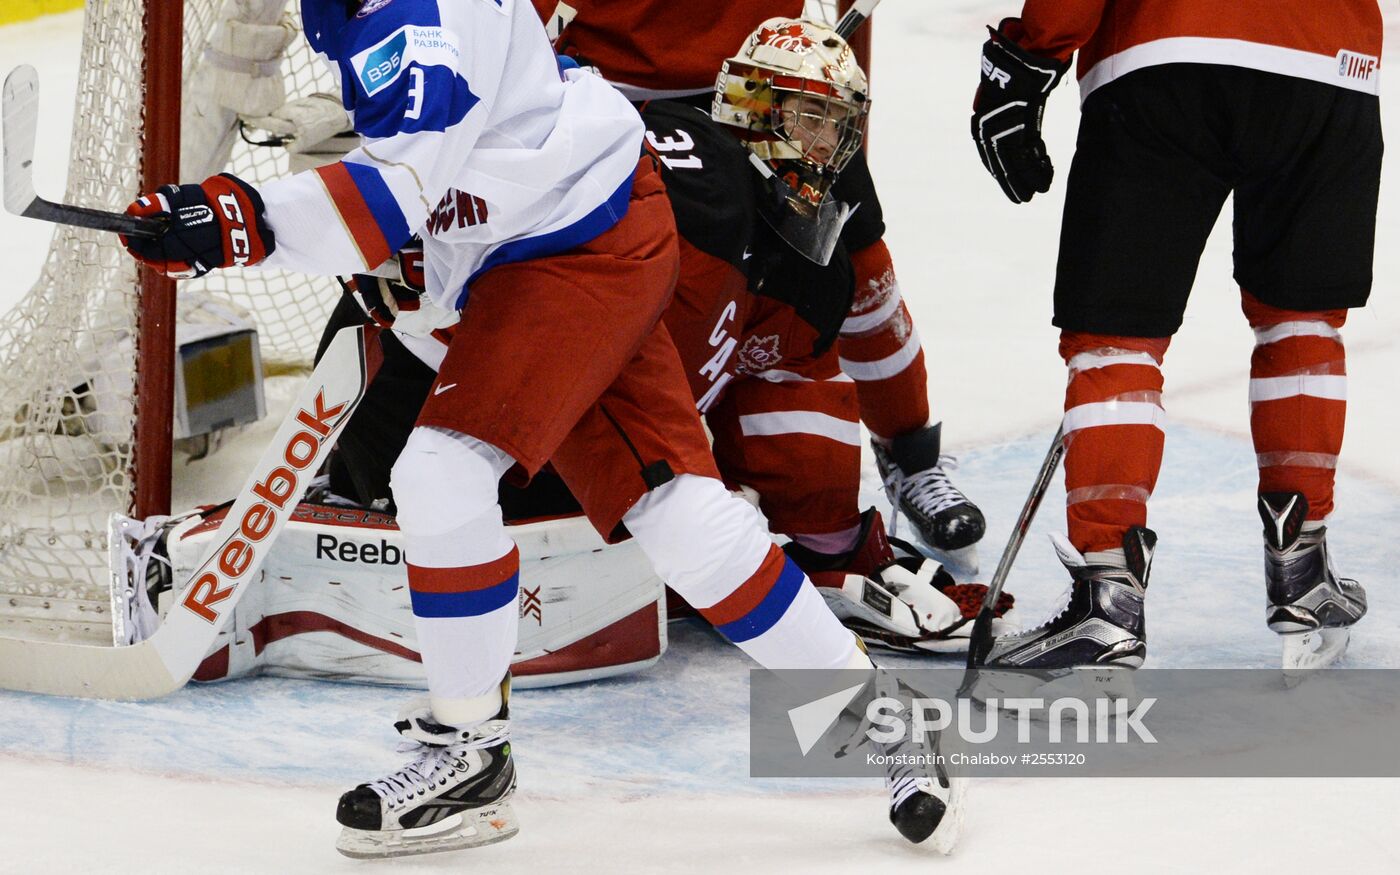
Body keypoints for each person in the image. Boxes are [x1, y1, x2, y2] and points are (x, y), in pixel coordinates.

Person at [119, 0, 955, 857]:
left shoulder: (412, 13)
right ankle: (886, 717)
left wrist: (232, 218)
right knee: (678, 514)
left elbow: (388, 194)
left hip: (560, 250)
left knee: (441, 470)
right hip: (575, 226)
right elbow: (430, 172)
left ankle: (472, 756)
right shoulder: (357, 13)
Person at [969, 0, 1376, 671]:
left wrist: (1029, 55)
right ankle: (1304, 571)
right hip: (1333, 67)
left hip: (1168, 54)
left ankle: (1109, 607)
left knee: (1115, 339)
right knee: (1302, 318)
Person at [535, 0, 989, 575]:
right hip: (623, 107)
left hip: (781, 87)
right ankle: (663, 489)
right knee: (660, 309)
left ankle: (911, 457)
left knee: (853, 286)